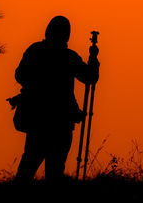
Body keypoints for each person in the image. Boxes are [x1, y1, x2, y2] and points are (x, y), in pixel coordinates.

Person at [13, 16, 99, 183]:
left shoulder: (35, 51)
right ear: (66, 35)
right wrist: (94, 60)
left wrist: (35, 87)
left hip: (38, 120)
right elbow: (90, 77)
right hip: (61, 122)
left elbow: (20, 75)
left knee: (28, 167)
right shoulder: (68, 57)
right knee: (54, 172)